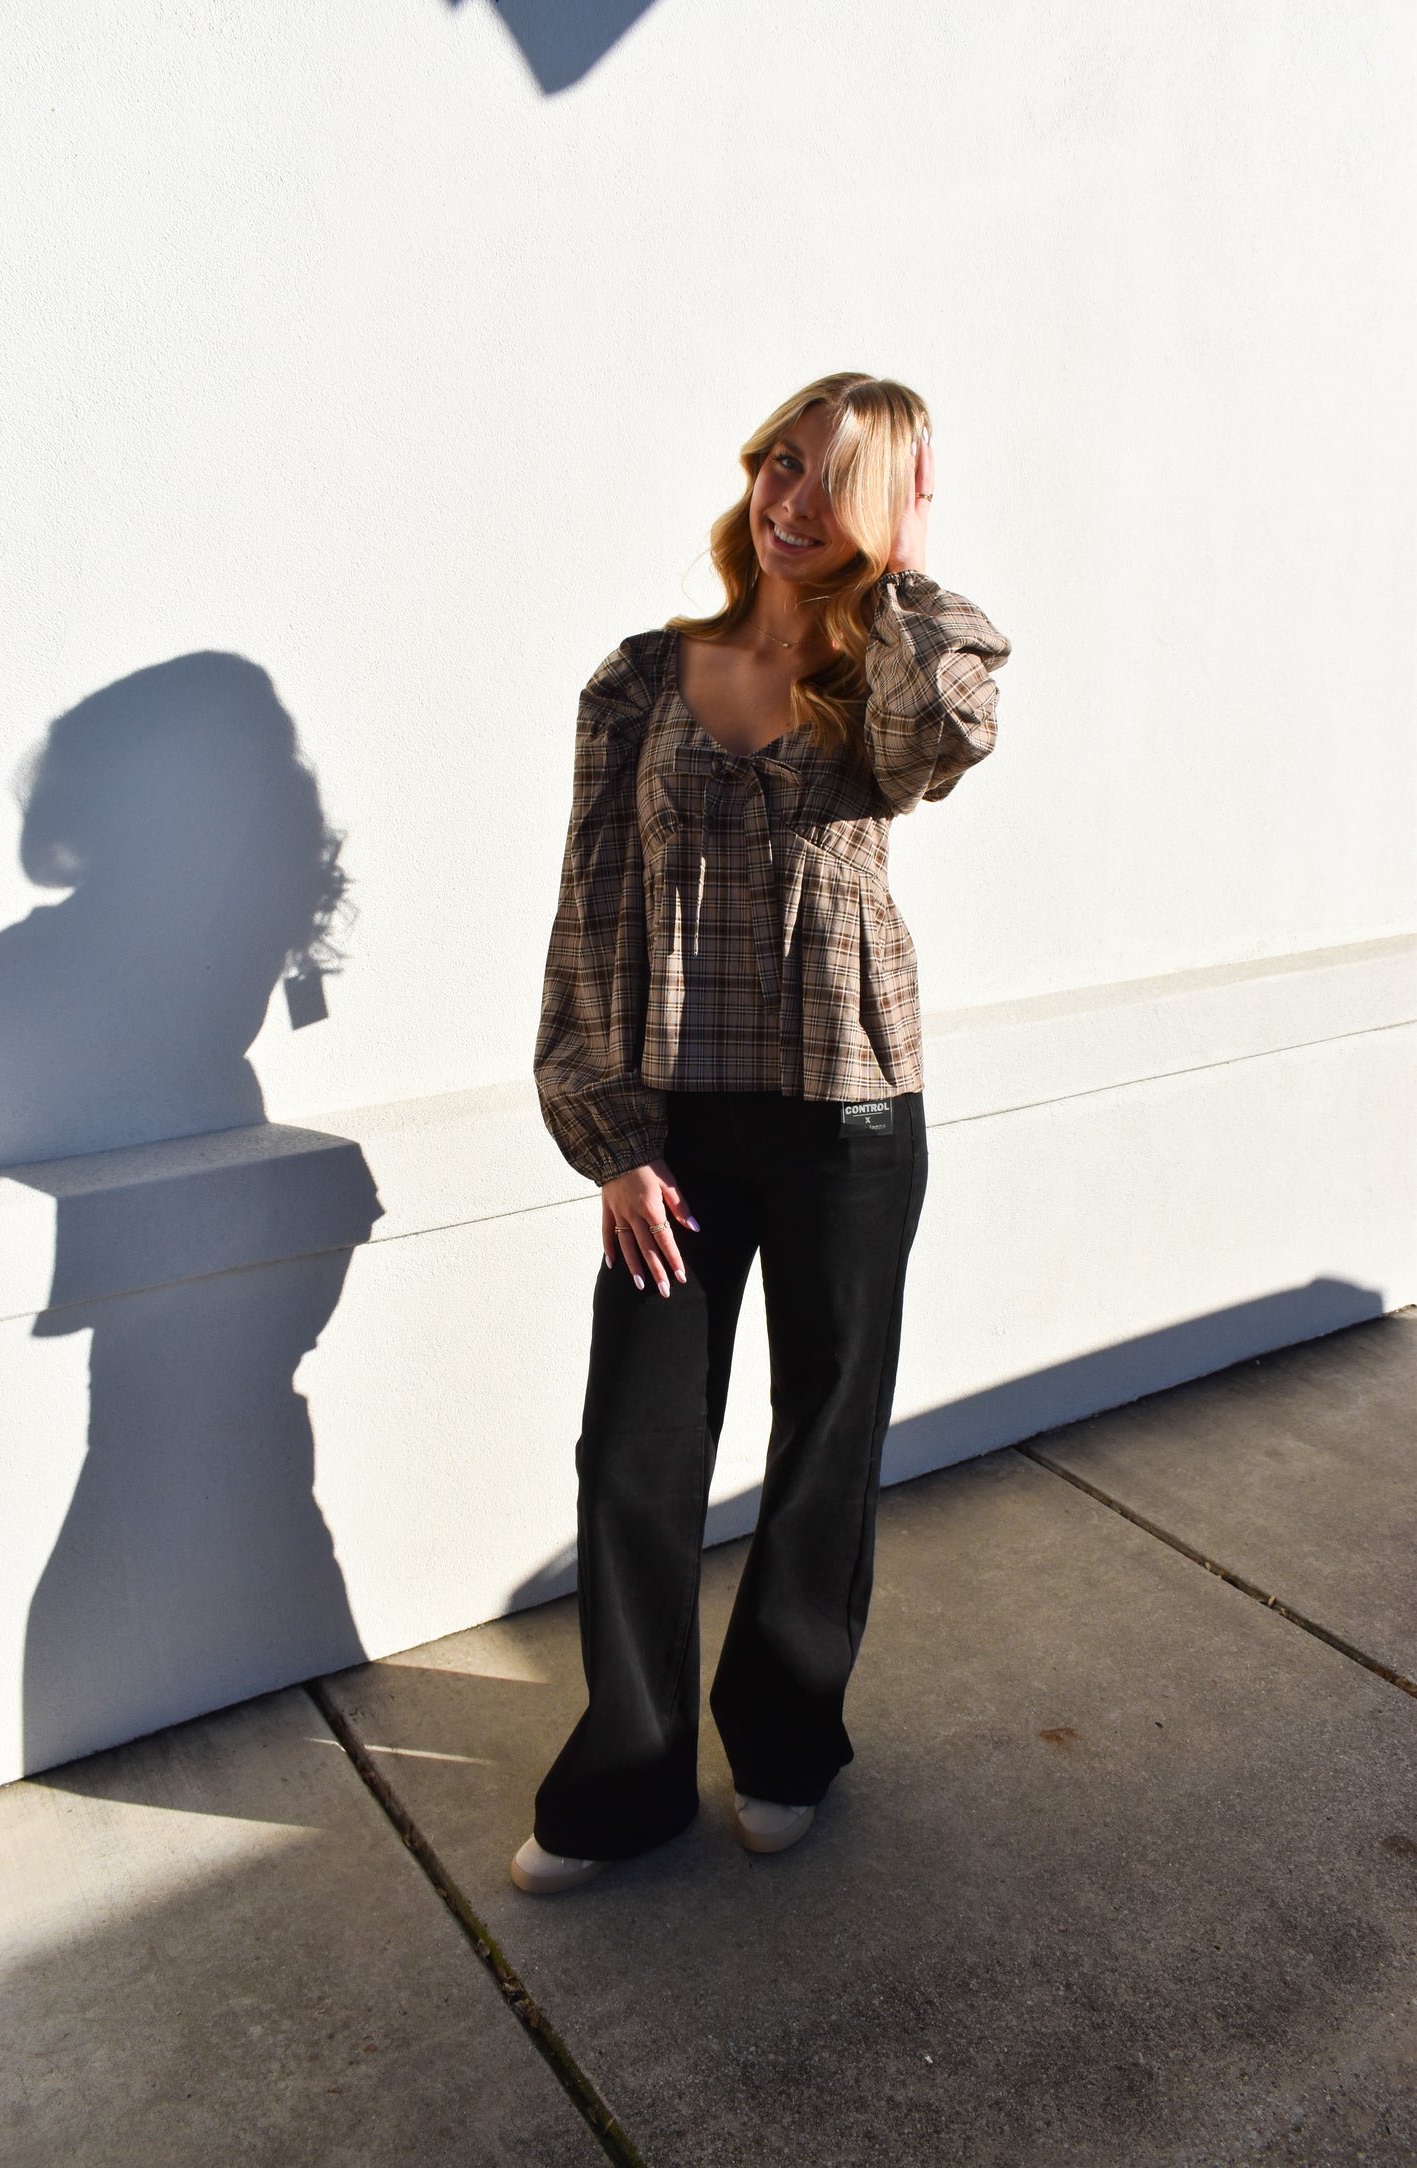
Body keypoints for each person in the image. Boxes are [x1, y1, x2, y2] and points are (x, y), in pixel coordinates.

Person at [513, 372, 1010, 1893]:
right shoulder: (641, 679)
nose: (788, 501)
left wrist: (910, 558)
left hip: (849, 1117)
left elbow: (948, 745)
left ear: (883, 511)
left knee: (822, 1446)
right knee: (636, 1456)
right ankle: (628, 1777)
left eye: (832, 483)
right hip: (678, 1123)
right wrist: (611, 1137)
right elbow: (589, 914)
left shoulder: (894, 674)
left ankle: (787, 1740)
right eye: (778, 465)